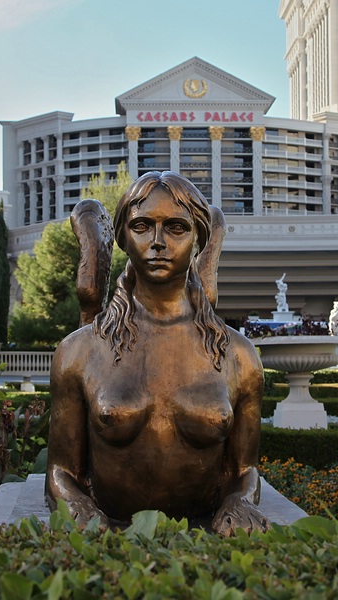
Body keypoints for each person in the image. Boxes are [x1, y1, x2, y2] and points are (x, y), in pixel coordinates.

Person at [47, 171, 268, 536]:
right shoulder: (78, 351)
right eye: (142, 226)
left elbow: (243, 471)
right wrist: (75, 504)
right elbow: (61, 472)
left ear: (198, 239)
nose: (158, 242)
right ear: (123, 237)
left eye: (176, 228)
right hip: (110, 533)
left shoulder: (239, 356)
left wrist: (239, 501)